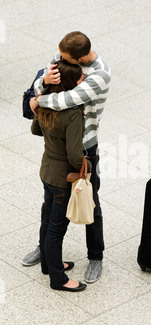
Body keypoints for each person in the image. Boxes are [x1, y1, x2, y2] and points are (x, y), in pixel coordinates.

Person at [22, 31, 111, 284]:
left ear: (80, 59)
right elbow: (41, 81)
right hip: (58, 148)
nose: (58, 61)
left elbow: (68, 100)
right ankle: (46, 250)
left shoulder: (100, 75)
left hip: (84, 149)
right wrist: (41, 83)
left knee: (90, 202)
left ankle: (95, 256)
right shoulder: (66, 55)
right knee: (49, 204)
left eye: (65, 59)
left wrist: (39, 100)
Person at [31, 59, 90, 292]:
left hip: (46, 171)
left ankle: (48, 264)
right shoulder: (73, 113)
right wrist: (88, 167)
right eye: (79, 78)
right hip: (63, 179)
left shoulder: (46, 104)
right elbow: (75, 156)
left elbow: (36, 129)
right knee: (57, 229)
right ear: (70, 84)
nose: (83, 80)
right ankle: (58, 278)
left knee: (47, 220)